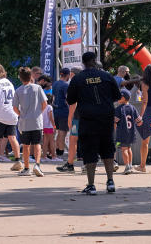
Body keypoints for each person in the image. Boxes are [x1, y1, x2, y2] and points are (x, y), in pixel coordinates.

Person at [67, 52, 121, 195]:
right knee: (108, 149)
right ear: (94, 61)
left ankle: (91, 185)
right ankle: (110, 181)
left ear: (83, 63)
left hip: (88, 120)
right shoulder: (107, 76)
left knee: (89, 151)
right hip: (106, 118)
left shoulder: (78, 79)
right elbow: (117, 96)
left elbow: (70, 100)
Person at [12, 67, 47, 177]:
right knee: (37, 144)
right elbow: (44, 104)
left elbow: (14, 107)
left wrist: (21, 115)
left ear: (20, 78)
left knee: (26, 145)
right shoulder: (37, 88)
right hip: (36, 121)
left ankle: (26, 168)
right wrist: (38, 113)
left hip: (24, 122)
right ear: (31, 76)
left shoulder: (18, 90)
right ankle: (37, 164)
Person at [57, 67, 82, 173]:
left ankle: (70, 164)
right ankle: (86, 164)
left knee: (73, 139)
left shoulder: (74, 85)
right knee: (85, 139)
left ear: (72, 74)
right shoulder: (86, 84)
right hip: (88, 116)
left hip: (77, 117)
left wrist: (70, 117)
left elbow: (72, 103)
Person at [114, 88, 142, 174]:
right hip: (131, 132)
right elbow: (139, 121)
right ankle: (130, 165)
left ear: (123, 98)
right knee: (129, 149)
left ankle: (127, 167)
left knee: (124, 149)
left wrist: (115, 129)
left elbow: (115, 121)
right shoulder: (132, 107)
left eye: (119, 97)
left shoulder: (119, 109)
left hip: (122, 132)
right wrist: (139, 123)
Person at [52, 68, 70, 160]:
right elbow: (68, 100)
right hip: (64, 111)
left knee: (58, 132)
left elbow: (54, 97)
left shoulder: (55, 83)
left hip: (56, 110)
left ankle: (56, 151)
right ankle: (61, 152)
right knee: (63, 132)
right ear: (67, 75)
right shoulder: (65, 85)